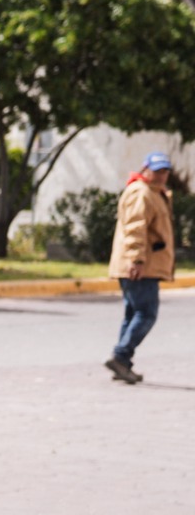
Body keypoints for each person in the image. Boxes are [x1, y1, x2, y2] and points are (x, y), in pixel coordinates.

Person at [107, 152, 177, 384]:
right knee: (146, 314)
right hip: (140, 266)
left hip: (143, 264)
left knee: (133, 314)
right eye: (157, 171)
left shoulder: (154, 193)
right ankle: (121, 356)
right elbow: (135, 228)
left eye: (165, 171)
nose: (161, 175)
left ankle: (122, 364)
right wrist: (136, 260)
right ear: (145, 169)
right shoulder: (142, 193)